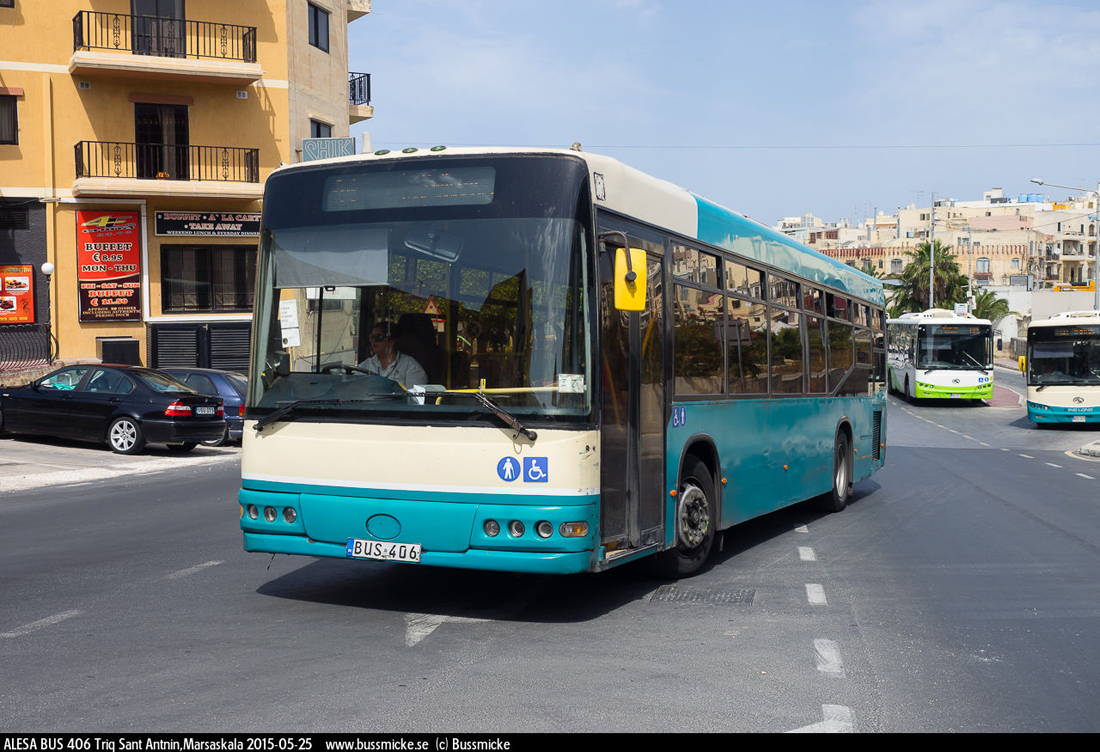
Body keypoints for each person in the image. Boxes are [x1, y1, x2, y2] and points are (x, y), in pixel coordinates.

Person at [358, 322, 428, 387]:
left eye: (378, 337)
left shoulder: (410, 366)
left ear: (391, 341)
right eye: (371, 337)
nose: (373, 341)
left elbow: (415, 397)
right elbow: (356, 390)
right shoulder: (366, 365)